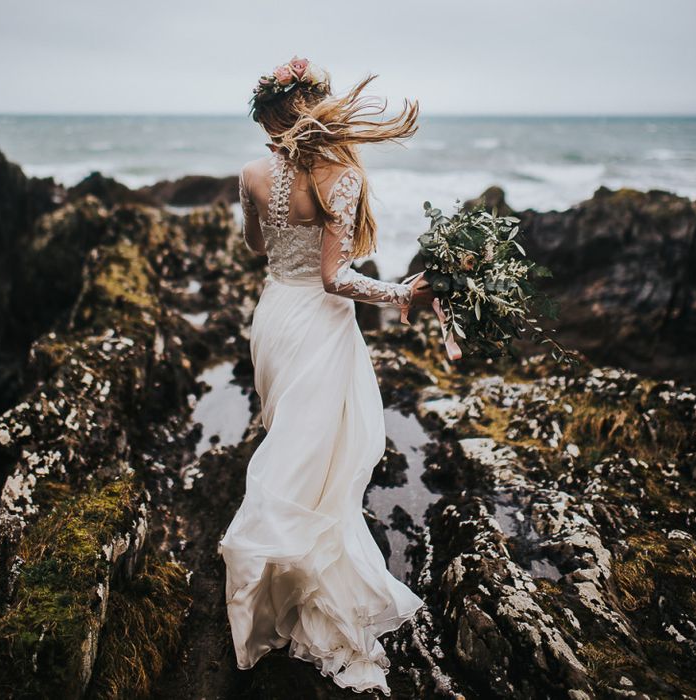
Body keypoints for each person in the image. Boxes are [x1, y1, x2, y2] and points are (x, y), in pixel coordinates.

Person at [217, 56, 435, 697]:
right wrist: (401, 292)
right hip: (321, 324)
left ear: (274, 116)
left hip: (275, 319)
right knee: (322, 456)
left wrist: (280, 224)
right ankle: (301, 584)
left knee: (293, 444)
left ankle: (277, 583)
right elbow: (336, 278)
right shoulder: (341, 179)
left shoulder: (252, 173)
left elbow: (259, 248)